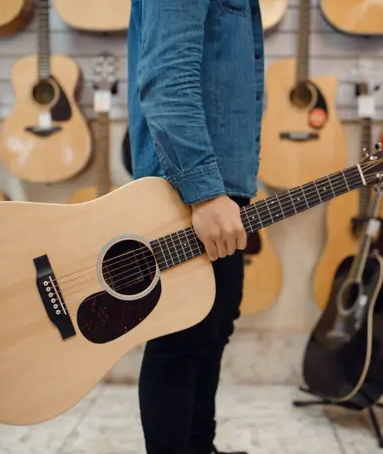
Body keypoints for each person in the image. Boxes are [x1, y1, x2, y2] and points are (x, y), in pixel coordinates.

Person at [126, 0, 265, 453]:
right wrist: (204, 192)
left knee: (213, 326)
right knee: (181, 337)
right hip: (191, 186)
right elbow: (166, 75)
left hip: (218, 182)